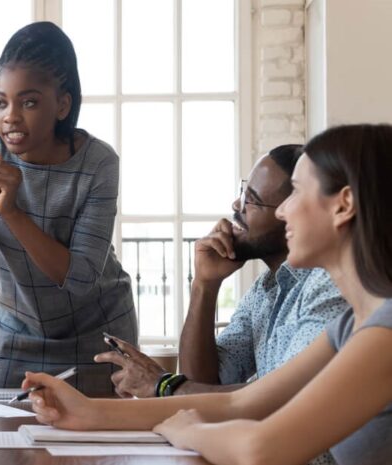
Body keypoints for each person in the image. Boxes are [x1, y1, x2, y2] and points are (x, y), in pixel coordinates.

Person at [24, 124, 392, 465]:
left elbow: (260, 447)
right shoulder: (351, 326)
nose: (283, 210)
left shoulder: (385, 333)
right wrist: (85, 411)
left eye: (296, 191)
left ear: (343, 205)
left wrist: (189, 430)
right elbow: (240, 401)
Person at [0, 21, 137, 398]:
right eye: (0, 102)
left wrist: (12, 213)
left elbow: (78, 279)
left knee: (92, 454)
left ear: (62, 105)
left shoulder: (98, 163)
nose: (10, 116)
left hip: (99, 334)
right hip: (16, 333)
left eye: (28, 102)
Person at [96, 145, 348, 401]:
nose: (237, 204)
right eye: (242, 191)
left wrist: (164, 385)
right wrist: (205, 285)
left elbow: (287, 399)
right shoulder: (266, 289)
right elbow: (203, 384)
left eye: (252, 199)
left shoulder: (330, 286)